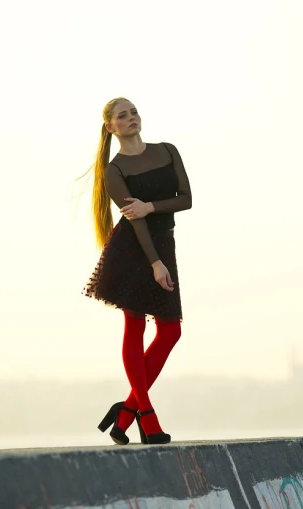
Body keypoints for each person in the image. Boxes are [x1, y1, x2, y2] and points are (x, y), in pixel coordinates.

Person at [83, 97, 192, 445]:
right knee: (135, 325)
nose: (131, 118)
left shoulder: (168, 150)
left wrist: (151, 206)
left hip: (165, 243)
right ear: (110, 127)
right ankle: (145, 413)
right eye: (122, 116)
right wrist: (155, 263)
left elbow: (185, 199)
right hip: (134, 249)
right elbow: (136, 222)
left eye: (133, 112)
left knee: (170, 331)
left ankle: (126, 411)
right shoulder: (114, 171)